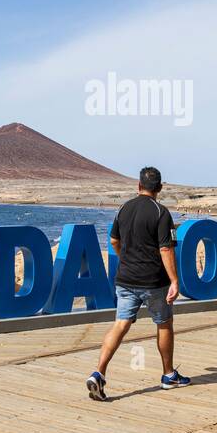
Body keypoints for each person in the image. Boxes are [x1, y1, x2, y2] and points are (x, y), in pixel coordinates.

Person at [86, 167, 187, 401]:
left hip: (125, 278)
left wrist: (125, 258)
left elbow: (113, 240)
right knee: (164, 323)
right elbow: (165, 249)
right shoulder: (161, 212)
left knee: (120, 324)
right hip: (153, 281)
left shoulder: (124, 208)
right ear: (160, 188)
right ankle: (168, 375)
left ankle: (98, 372)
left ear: (138, 186)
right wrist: (174, 280)